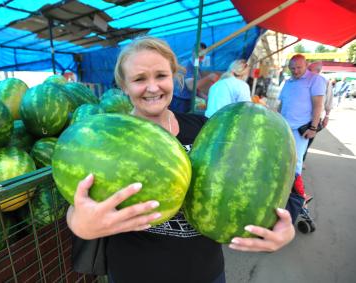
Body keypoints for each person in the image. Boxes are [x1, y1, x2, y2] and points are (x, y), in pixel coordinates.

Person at [66, 36, 295, 283]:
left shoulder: (207, 129)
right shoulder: (108, 138)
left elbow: (271, 177)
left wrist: (285, 229)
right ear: (124, 85)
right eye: (139, 79)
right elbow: (79, 203)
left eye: (161, 76)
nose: (152, 87)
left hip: (205, 273)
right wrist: (81, 225)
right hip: (134, 273)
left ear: (174, 77)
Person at [278, 54, 326, 205]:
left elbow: (318, 105)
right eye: (292, 68)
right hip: (284, 127)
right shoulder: (288, 82)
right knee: (282, 159)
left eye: (299, 67)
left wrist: (313, 127)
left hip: (300, 130)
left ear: (306, 65)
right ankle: (283, 191)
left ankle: (298, 197)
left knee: (296, 162)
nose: (296, 71)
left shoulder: (315, 79)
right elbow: (282, 105)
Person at [170, 42, 218, 113]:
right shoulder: (188, 66)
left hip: (187, 100)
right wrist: (209, 78)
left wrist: (205, 97)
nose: (202, 56)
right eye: (200, 53)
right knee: (180, 121)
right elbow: (191, 86)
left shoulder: (196, 65)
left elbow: (195, 88)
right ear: (193, 52)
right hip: (180, 101)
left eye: (204, 53)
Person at [302, 61, 333, 162]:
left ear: (318, 71)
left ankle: (301, 161)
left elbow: (328, 100)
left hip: (313, 118)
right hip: (301, 116)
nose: (307, 71)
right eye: (307, 69)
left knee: (307, 140)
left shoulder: (325, 82)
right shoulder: (304, 79)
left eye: (310, 70)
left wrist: (327, 116)